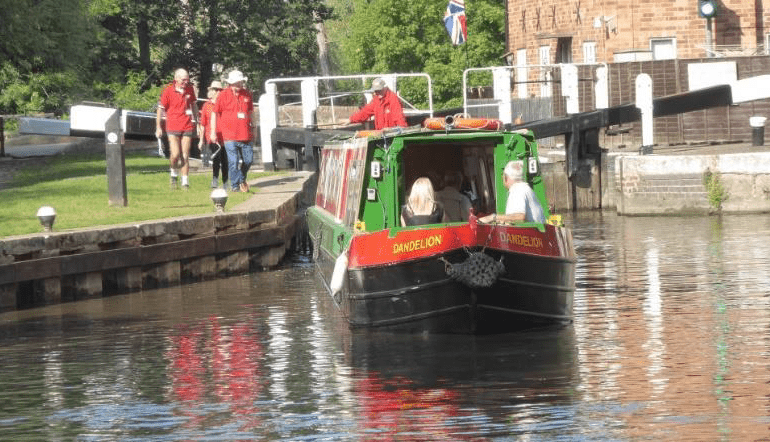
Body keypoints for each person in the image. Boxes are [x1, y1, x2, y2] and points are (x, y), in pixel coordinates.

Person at [210, 70, 255, 193]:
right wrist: (213, 132)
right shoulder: (223, 95)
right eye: (237, 82)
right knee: (233, 161)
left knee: (249, 160)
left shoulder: (247, 94)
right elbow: (214, 113)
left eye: (240, 82)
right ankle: (235, 186)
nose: (239, 85)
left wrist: (254, 127)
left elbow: (251, 112)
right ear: (231, 83)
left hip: (245, 134)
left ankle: (241, 178)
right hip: (229, 135)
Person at [156, 68, 199, 190]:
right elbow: (160, 109)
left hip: (187, 125)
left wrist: (198, 122)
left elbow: (194, 105)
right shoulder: (168, 90)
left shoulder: (190, 89)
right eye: (183, 79)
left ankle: (185, 182)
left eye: (187, 79)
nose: (186, 82)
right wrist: (158, 127)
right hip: (172, 126)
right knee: (175, 154)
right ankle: (173, 174)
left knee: (185, 155)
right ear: (176, 79)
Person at [480, 161, 545, 224]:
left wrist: (493, 218)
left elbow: (519, 217)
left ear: (505, 178)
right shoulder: (525, 188)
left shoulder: (517, 189)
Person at [198, 80, 229, 189]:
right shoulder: (207, 105)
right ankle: (215, 179)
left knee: (225, 159)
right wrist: (201, 140)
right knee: (216, 158)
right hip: (212, 136)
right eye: (216, 90)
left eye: (220, 90)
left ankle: (225, 181)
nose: (218, 92)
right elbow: (203, 124)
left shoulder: (225, 105)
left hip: (224, 136)